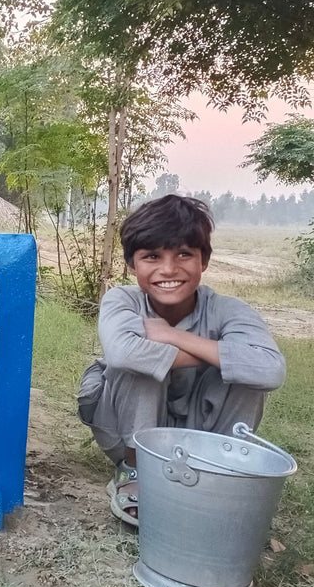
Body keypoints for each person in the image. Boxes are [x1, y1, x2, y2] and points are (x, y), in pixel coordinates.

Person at [77, 194, 286, 526]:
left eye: (184, 254)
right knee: (138, 366)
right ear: (132, 265)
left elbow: (270, 369)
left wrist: (174, 336)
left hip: (200, 440)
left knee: (248, 378)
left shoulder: (228, 310)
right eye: (152, 256)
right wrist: (216, 355)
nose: (169, 269)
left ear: (204, 261)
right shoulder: (122, 300)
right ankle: (133, 472)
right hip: (127, 432)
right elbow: (122, 352)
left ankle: (219, 471)